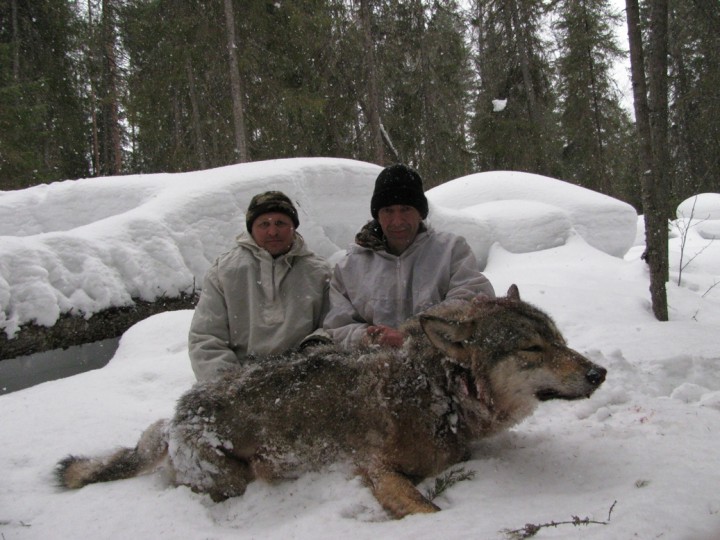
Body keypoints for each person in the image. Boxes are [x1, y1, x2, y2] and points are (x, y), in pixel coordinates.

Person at [323, 163, 495, 349]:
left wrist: (412, 335)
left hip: (438, 359)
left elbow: (473, 300)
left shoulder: (451, 250)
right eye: (388, 210)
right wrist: (367, 338)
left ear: (420, 213)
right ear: (377, 215)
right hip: (372, 367)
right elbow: (336, 325)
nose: (397, 221)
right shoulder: (350, 266)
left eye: (405, 209)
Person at [189, 191, 330, 381]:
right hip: (239, 384)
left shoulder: (319, 273)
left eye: (280, 223)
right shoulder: (225, 272)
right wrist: (230, 386)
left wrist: (308, 366)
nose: (273, 232)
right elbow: (205, 339)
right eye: (264, 224)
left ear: (293, 227)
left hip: (302, 382)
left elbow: (332, 328)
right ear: (251, 228)